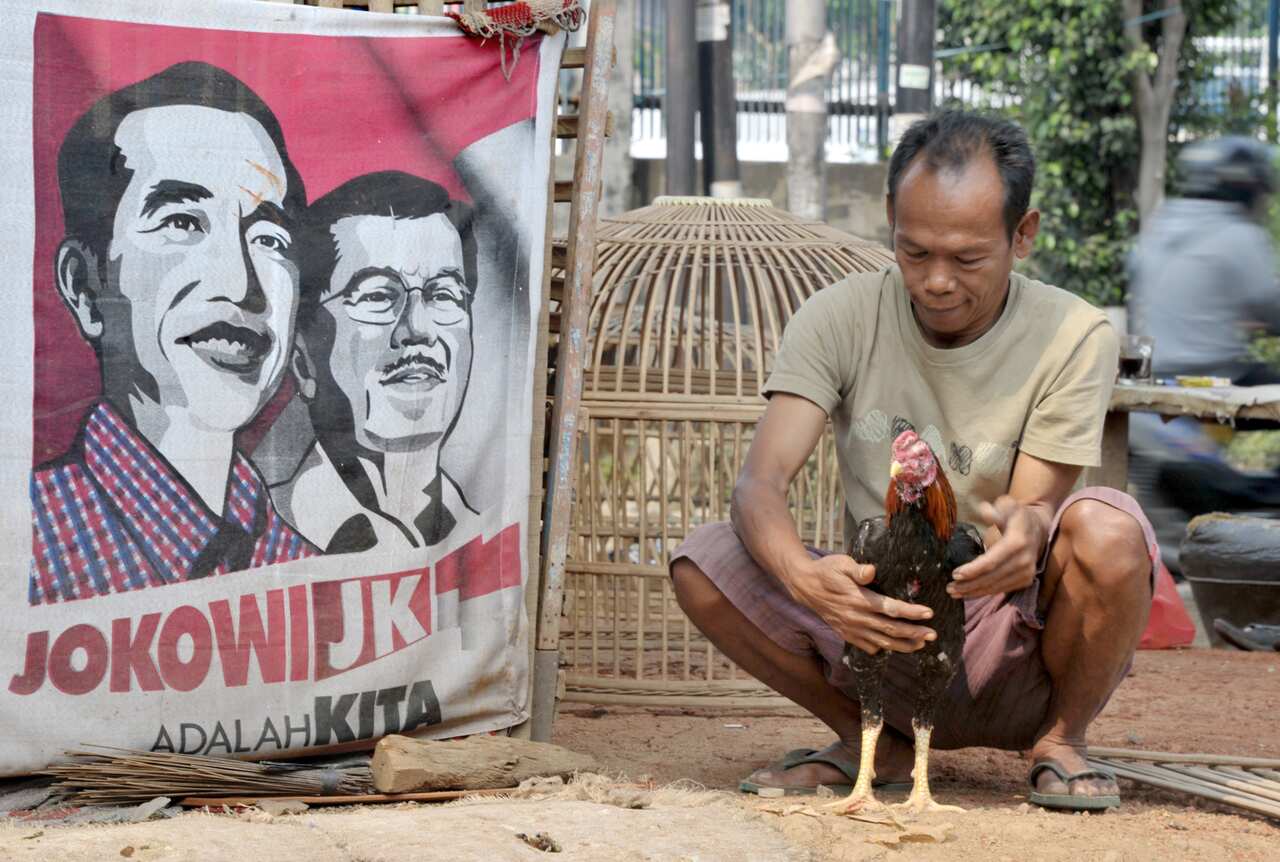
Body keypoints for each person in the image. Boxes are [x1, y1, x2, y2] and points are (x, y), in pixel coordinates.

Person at [670, 110, 1157, 811]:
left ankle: (1060, 741)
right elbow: (759, 485)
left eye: (966, 259)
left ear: (1023, 235)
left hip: (1004, 636)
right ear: (891, 222)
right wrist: (806, 579)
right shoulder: (836, 315)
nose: (935, 281)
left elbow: (1032, 506)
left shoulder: (1074, 333)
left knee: (1110, 525)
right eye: (914, 251)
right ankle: (876, 743)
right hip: (879, 623)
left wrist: (1028, 536)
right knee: (705, 560)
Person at [30, 62, 318, 605]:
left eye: (268, 238)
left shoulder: (311, 574)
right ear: (85, 287)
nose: (241, 286)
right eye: (183, 222)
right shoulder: (27, 550)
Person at [272, 171, 480, 554]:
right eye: (378, 297)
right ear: (302, 360)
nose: (418, 329)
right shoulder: (272, 537)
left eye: (444, 295)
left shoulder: (481, 537)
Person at [1129, 135, 1280, 387]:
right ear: (1246, 190)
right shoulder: (1239, 233)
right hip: (1216, 375)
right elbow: (1272, 311)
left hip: (1157, 373)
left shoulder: (1162, 223)